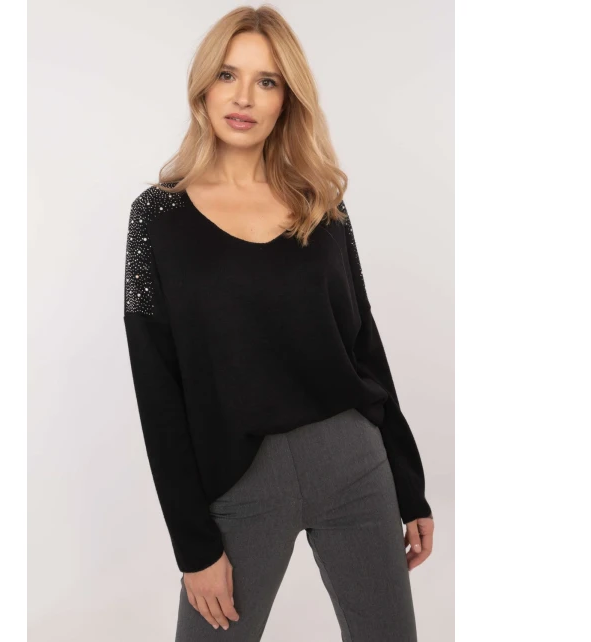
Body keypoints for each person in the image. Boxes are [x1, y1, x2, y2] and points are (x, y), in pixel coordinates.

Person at [123, 5, 434, 641]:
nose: (243, 97)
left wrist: (408, 483)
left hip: (353, 464)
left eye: (266, 81)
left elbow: (363, 342)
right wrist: (193, 546)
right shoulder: (157, 217)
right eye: (228, 75)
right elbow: (157, 387)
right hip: (241, 482)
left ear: (286, 98)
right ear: (203, 87)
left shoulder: (320, 204)